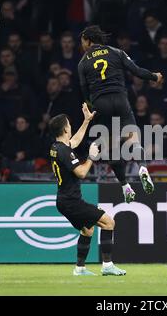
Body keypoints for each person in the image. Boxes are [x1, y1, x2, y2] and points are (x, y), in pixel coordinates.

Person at [78, 25, 163, 203]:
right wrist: (154, 76)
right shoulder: (116, 52)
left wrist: (92, 108)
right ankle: (142, 167)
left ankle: (125, 186)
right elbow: (137, 71)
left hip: (100, 103)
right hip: (120, 99)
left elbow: (84, 92)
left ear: (88, 40)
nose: (82, 45)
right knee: (132, 138)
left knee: (111, 148)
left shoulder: (83, 62)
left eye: (83, 41)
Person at [48, 106, 126, 276]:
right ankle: (107, 265)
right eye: (69, 124)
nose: (71, 126)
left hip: (64, 200)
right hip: (71, 201)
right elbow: (82, 173)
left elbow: (73, 142)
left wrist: (87, 121)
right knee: (109, 222)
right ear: (66, 128)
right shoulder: (64, 151)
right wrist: (91, 156)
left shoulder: (56, 147)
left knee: (87, 229)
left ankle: (80, 268)